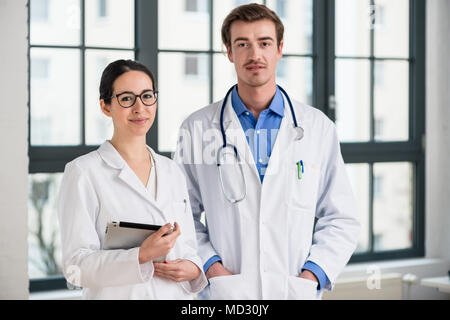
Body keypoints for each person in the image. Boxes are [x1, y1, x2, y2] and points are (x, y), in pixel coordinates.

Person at [173, 4, 360, 300]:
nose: (254, 54)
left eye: (264, 43)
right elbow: (180, 214)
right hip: (227, 293)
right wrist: (212, 268)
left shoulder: (317, 128)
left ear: (279, 49)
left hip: (293, 290)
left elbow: (341, 218)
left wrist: (312, 275)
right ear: (229, 52)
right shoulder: (196, 128)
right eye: (242, 44)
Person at [58, 59, 207, 299]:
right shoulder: (84, 172)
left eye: (147, 96)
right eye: (126, 99)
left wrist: (193, 267)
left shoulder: (172, 171)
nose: (140, 108)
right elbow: (75, 268)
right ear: (106, 107)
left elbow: (189, 247)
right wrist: (140, 256)